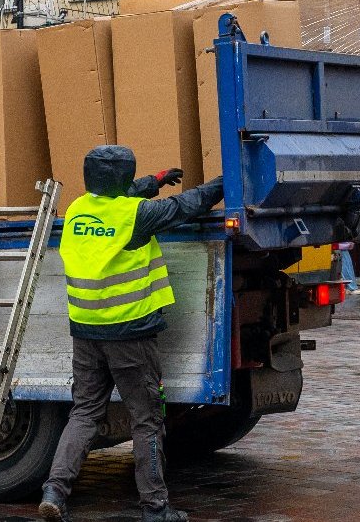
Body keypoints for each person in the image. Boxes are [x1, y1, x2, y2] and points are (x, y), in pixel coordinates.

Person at [38, 146, 223, 522]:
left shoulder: (76, 210)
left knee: (85, 413)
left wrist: (153, 182)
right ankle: (155, 509)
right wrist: (227, 182)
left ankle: (55, 491)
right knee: (147, 419)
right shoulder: (136, 216)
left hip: (86, 331)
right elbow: (190, 204)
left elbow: (120, 197)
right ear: (123, 179)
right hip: (130, 336)